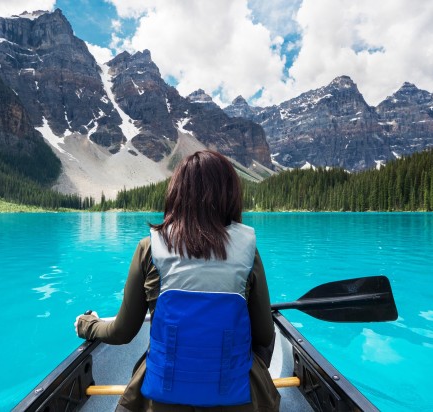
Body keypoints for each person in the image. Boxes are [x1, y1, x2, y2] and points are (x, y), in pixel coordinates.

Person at [75, 150, 280, 412]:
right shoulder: (249, 251)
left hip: (162, 401)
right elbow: (264, 335)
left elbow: (122, 333)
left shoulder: (148, 248)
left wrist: (88, 325)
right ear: (230, 195)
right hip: (237, 400)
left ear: (177, 195)